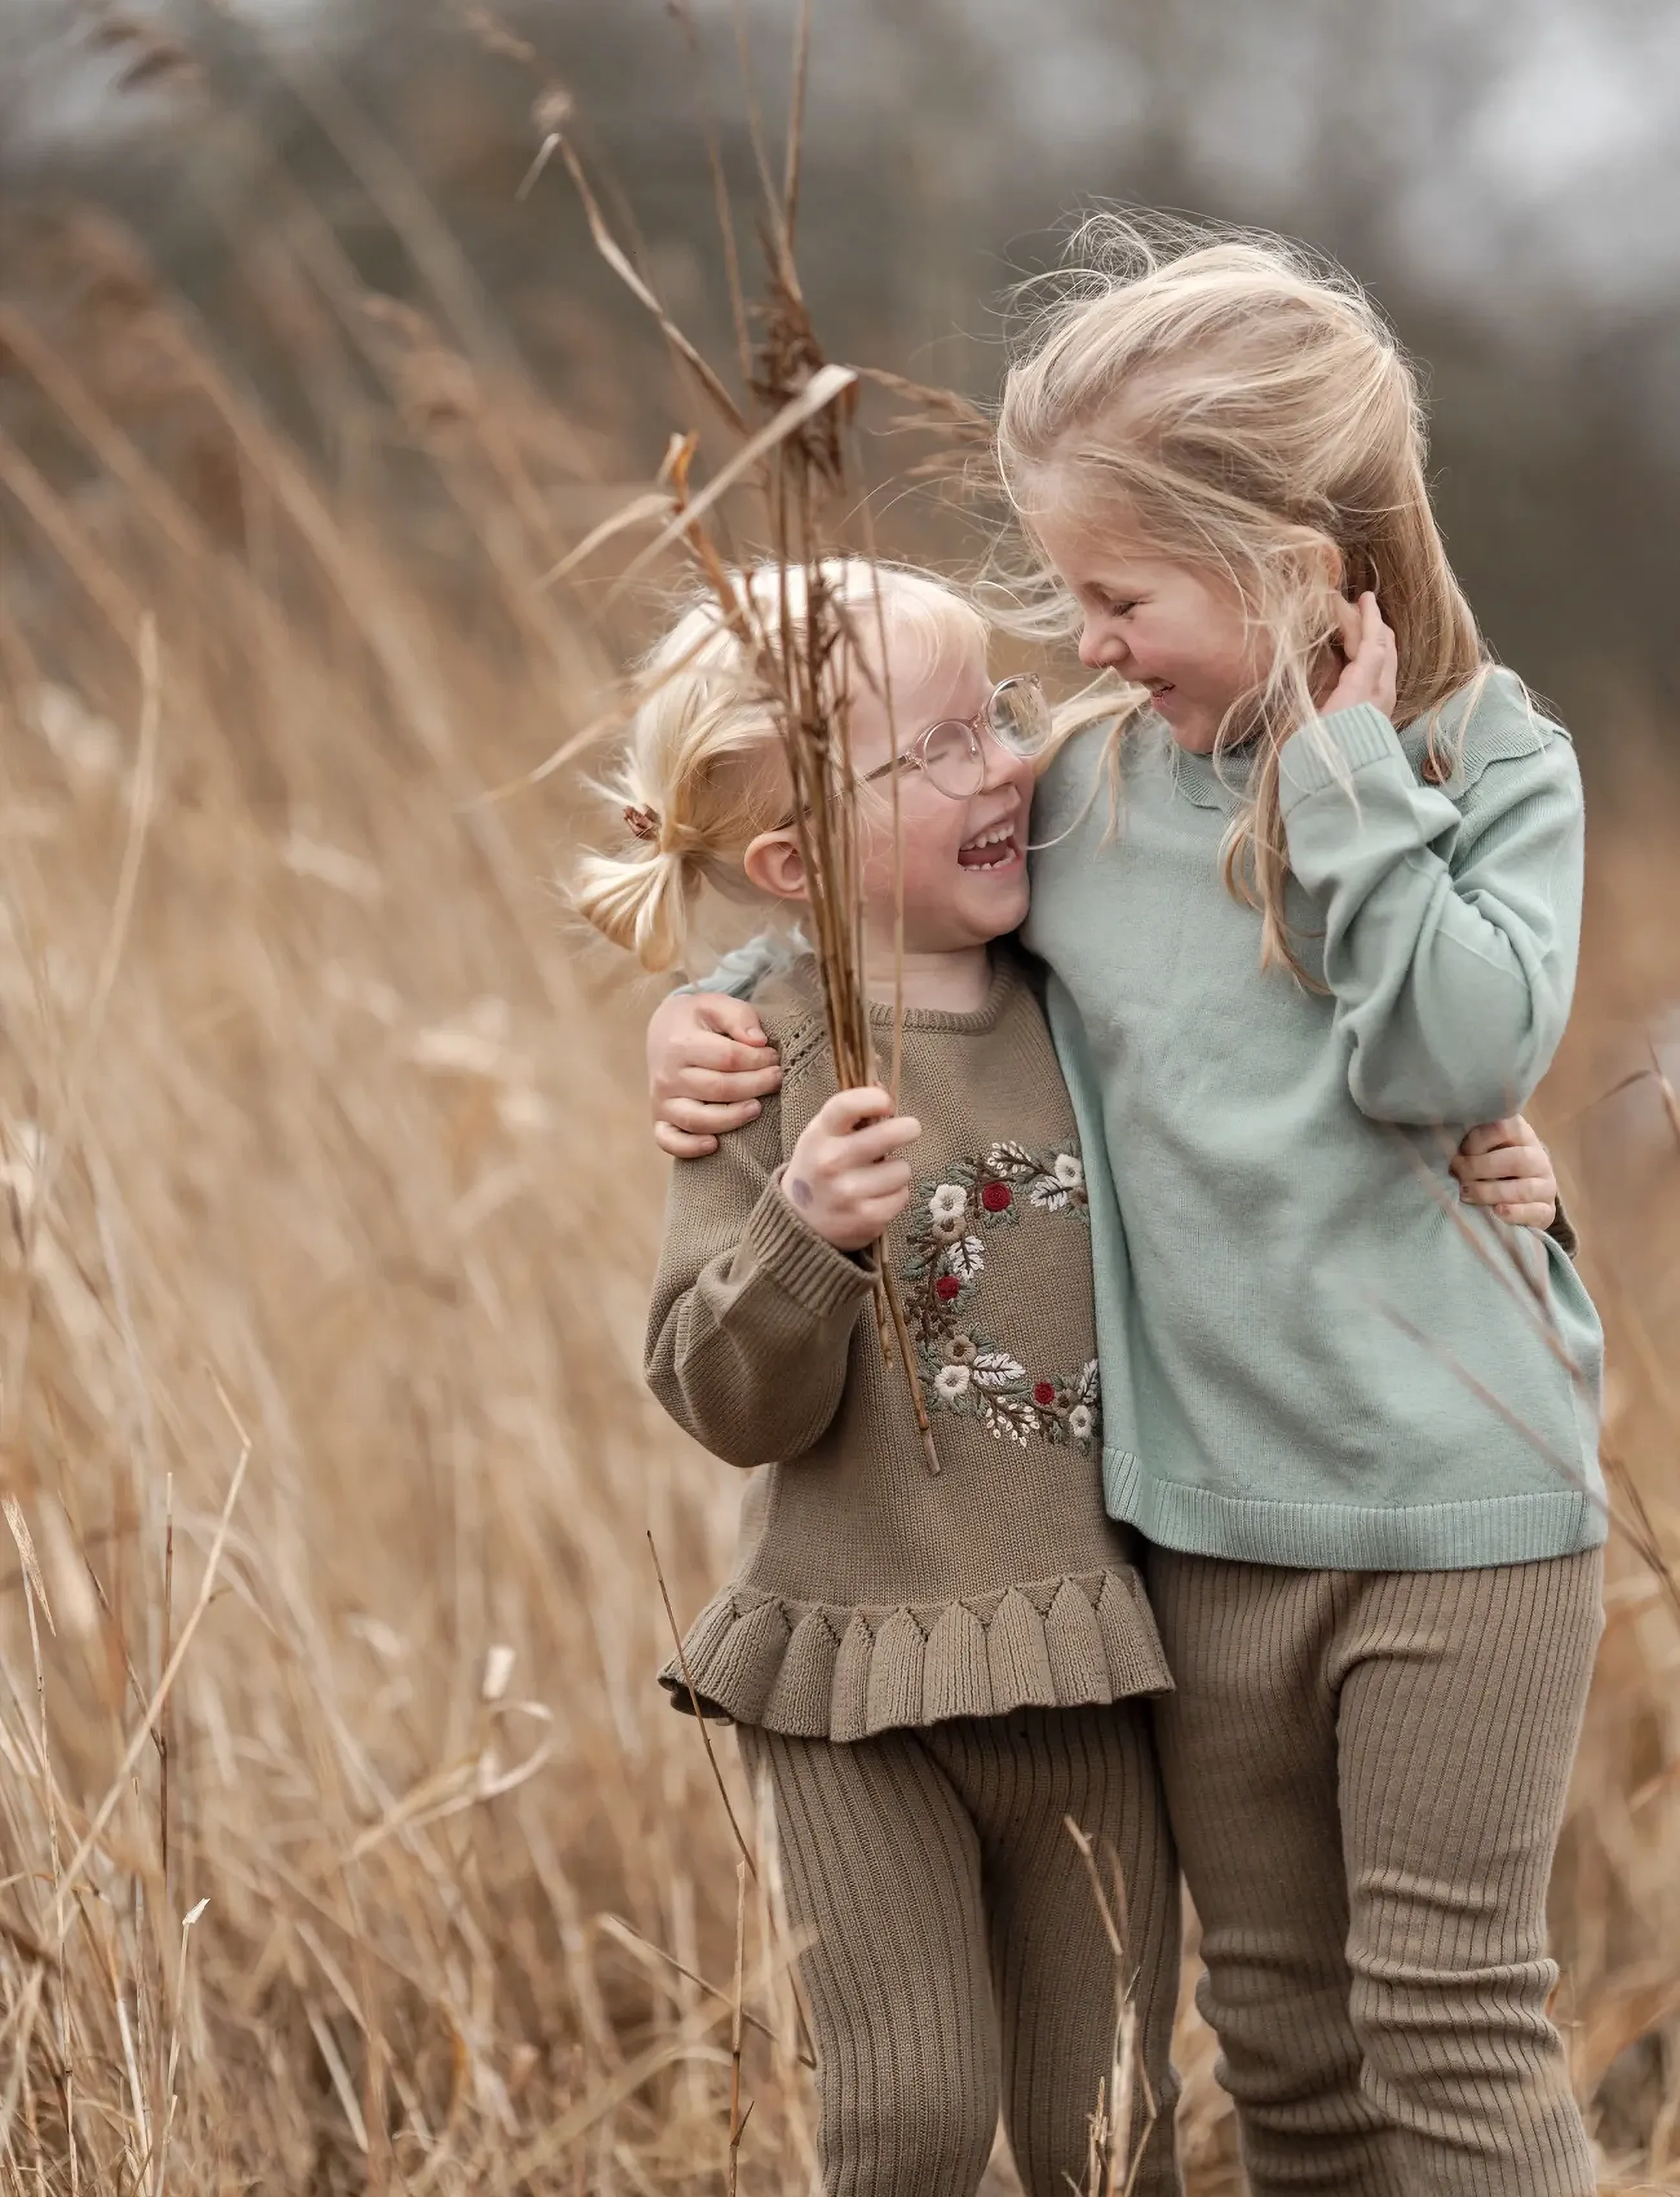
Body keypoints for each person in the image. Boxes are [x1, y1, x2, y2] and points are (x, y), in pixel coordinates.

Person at [645, 224, 1602, 2197]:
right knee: (1281, 2030)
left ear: (1291, 560)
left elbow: (1443, 1061)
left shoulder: (1486, 766)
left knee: (1450, 2015)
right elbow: (883, 912)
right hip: (1199, 1540)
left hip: (1461, 1507)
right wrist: (706, 1016)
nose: (1081, 646)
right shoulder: (1085, 800)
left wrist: (1342, 773)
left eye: (1119, 594)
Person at [578, 560, 1184, 2197]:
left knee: (1106, 2135)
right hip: (845, 1673)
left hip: (1091, 1657)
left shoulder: (1096, 989)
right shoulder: (755, 1058)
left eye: (999, 710)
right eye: (935, 750)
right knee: (909, 2121)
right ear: (790, 861)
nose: (1002, 757)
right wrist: (800, 1234)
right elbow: (722, 1402)